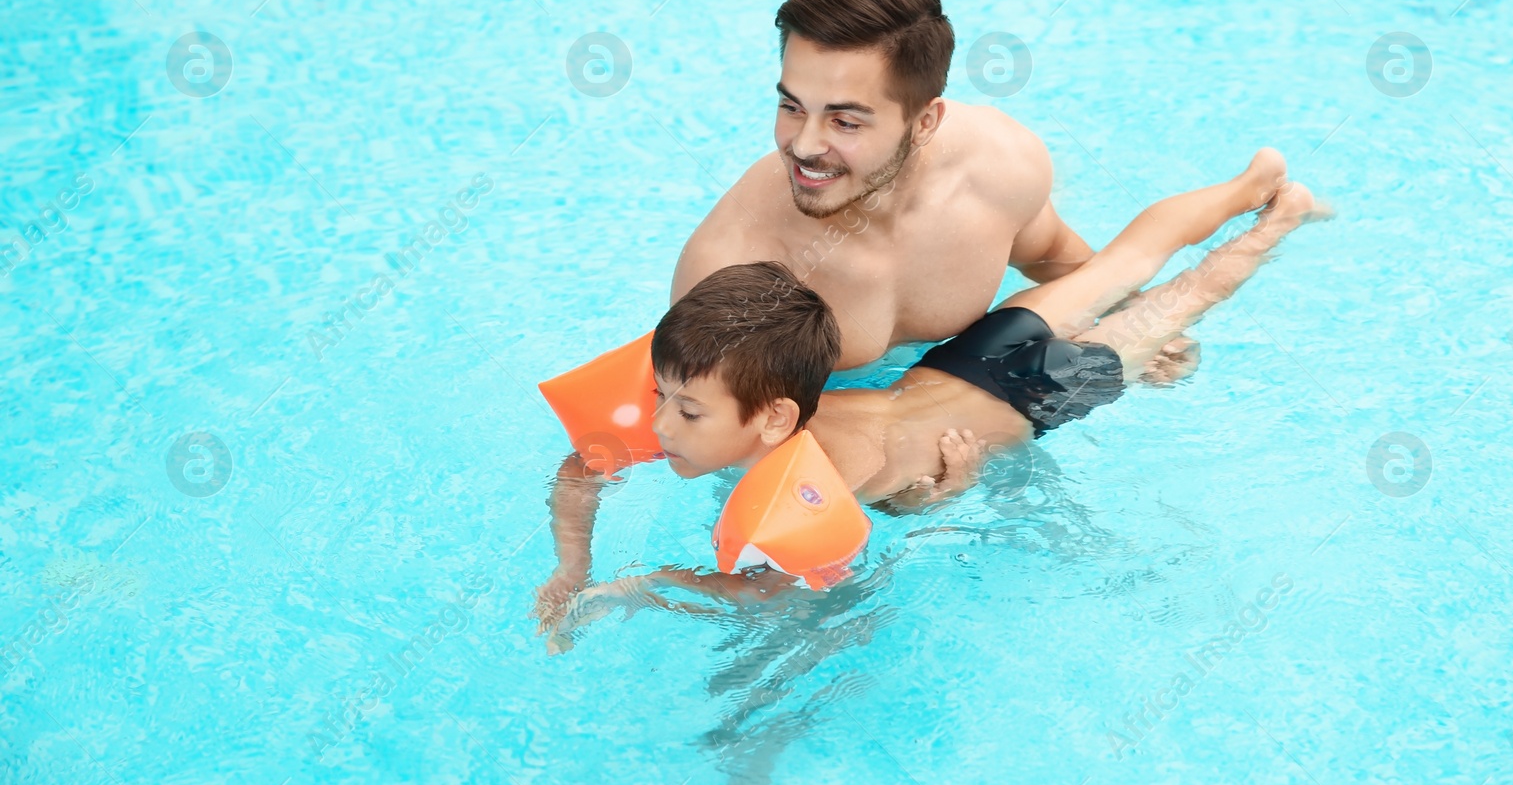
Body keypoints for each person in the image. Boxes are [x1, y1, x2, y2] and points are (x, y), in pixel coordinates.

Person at [535, 149, 1326, 638]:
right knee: (1126, 257)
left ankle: (1279, 216)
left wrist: (640, 587)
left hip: (1033, 392)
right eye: (667, 396)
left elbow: (770, 596)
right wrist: (570, 565)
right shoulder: (756, 397)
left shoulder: (818, 471)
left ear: (774, 418)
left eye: (687, 409)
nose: (661, 421)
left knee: (1180, 297)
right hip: (965, 359)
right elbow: (584, 463)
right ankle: (1248, 182)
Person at [672, 0, 1101, 371]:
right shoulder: (730, 266)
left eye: (844, 122)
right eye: (792, 107)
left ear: (924, 122)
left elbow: (1052, 257)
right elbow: (703, 425)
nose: (802, 146)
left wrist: (1126, 320)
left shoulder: (1002, 168)